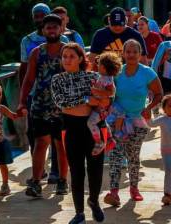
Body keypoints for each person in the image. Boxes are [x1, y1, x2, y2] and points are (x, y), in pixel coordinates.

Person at [51, 43, 107, 224]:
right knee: (76, 171)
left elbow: (105, 98)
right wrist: (86, 100)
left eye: (71, 56)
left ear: (81, 58)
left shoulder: (93, 76)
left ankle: (94, 201)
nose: (67, 60)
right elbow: (61, 102)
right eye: (64, 56)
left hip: (94, 128)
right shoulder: (57, 79)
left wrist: (95, 101)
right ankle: (79, 213)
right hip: (71, 128)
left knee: (96, 169)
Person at [104, 39, 163, 206]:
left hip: (138, 121)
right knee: (115, 156)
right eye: (128, 52)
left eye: (134, 52)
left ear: (140, 54)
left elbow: (159, 93)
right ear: (122, 54)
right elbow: (107, 93)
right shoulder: (116, 73)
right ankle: (113, 192)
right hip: (118, 121)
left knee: (133, 156)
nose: (131, 55)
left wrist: (149, 107)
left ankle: (134, 189)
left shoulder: (147, 73)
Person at [18, 14, 68, 197]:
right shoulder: (37, 52)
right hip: (40, 103)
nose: (52, 30)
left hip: (63, 106)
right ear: (43, 30)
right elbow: (29, 79)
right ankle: (36, 182)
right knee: (40, 143)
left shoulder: (68, 50)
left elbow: (81, 73)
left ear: (61, 28)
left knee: (61, 144)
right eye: (48, 27)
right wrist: (22, 101)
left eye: (55, 27)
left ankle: (62, 180)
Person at [87, 52, 122, 154]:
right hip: (101, 107)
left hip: (102, 108)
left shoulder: (108, 80)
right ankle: (110, 139)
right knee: (102, 122)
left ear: (103, 67)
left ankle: (99, 142)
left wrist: (95, 91)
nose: (97, 66)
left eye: (99, 64)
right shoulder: (102, 77)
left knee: (91, 122)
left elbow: (111, 92)